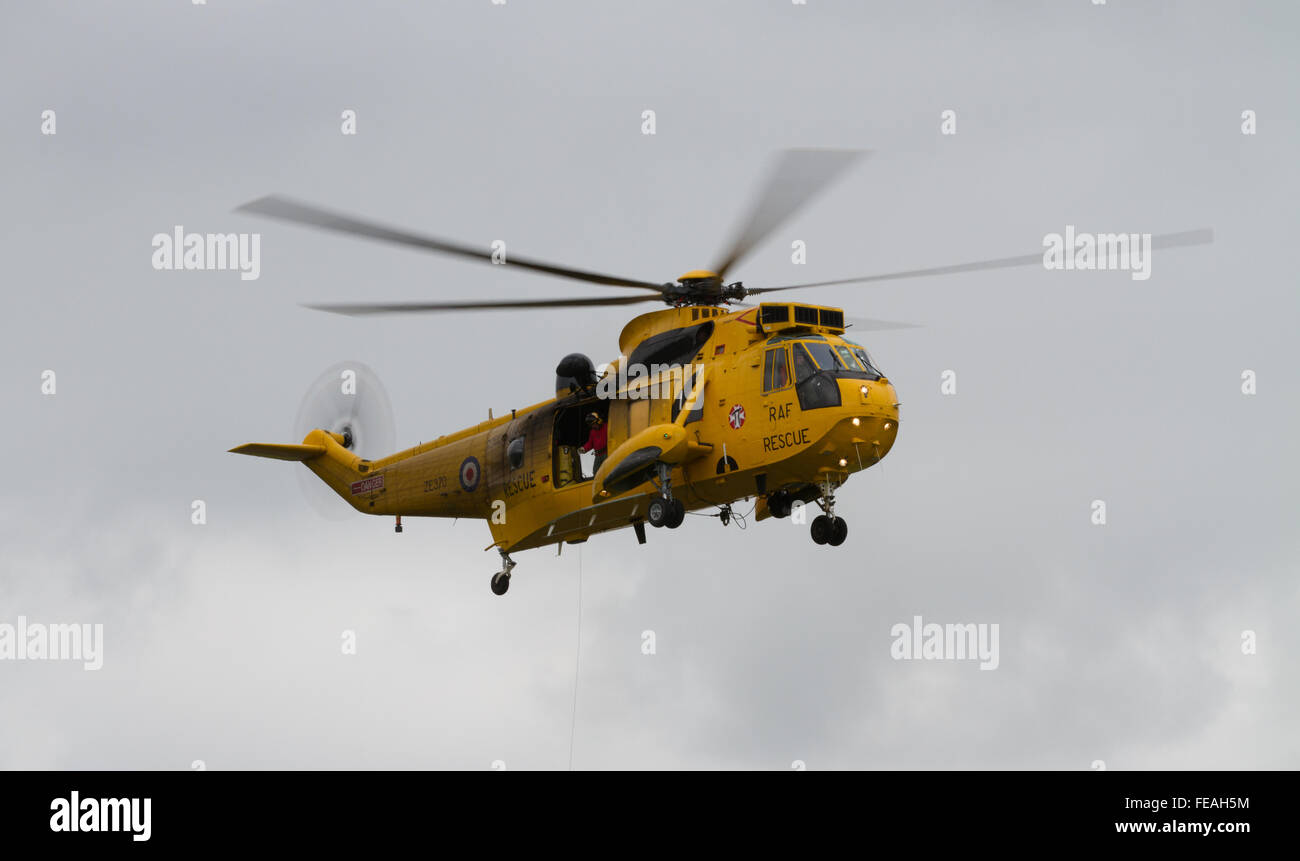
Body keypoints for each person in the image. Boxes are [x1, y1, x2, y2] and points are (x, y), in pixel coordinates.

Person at [579, 411, 608, 476]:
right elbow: (590, 443)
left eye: (593, 424)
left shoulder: (607, 427)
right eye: (591, 425)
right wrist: (584, 449)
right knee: (596, 473)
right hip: (598, 455)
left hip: (607, 453)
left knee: (607, 471)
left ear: (598, 421)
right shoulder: (592, 432)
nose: (593, 426)